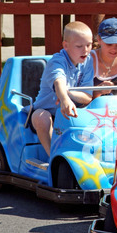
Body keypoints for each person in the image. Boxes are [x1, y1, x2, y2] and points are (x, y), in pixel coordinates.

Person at [31, 21, 94, 157]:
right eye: (79, 46)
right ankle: (52, 156)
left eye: (89, 45)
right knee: (42, 118)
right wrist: (65, 98)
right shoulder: (57, 61)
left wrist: (68, 92)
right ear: (66, 46)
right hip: (48, 111)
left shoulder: (88, 61)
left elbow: (88, 97)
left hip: (72, 111)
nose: (86, 50)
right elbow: (59, 82)